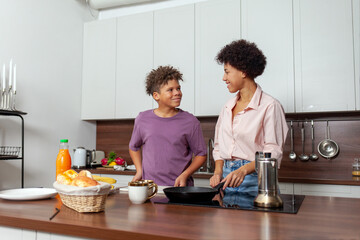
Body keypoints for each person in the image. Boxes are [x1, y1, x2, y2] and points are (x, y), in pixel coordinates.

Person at [209, 39, 288, 193]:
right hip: (226, 182)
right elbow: (218, 147)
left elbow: (273, 152)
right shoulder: (227, 107)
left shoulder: (270, 106)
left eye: (227, 72)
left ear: (243, 71)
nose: (223, 78)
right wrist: (218, 172)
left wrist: (243, 170)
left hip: (256, 182)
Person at [129, 65, 207, 187]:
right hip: (150, 188)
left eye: (178, 88)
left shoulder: (190, 121)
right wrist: (140, 171)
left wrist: (185, 175)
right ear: (156, 96)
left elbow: (201, 154)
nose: (177, 93)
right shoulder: (142, 119)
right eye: (170, 90)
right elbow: (134, 147)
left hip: (179, 190)